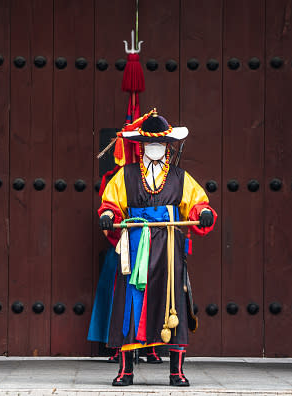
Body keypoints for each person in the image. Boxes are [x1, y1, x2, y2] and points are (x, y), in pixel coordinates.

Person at [98, 110, 216, 386]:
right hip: (136, 242)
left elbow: (198, 202)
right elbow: (110, 204)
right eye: (150, 144)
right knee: (131, 301)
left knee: (172, 299)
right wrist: (108, 215)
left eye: (160, 144)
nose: (155, 149)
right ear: (140, 146)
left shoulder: (179, 177)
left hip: (169, 246)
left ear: (168, 146)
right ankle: (126, 370)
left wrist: (204, 211)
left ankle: (176, 371)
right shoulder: (125, 175)